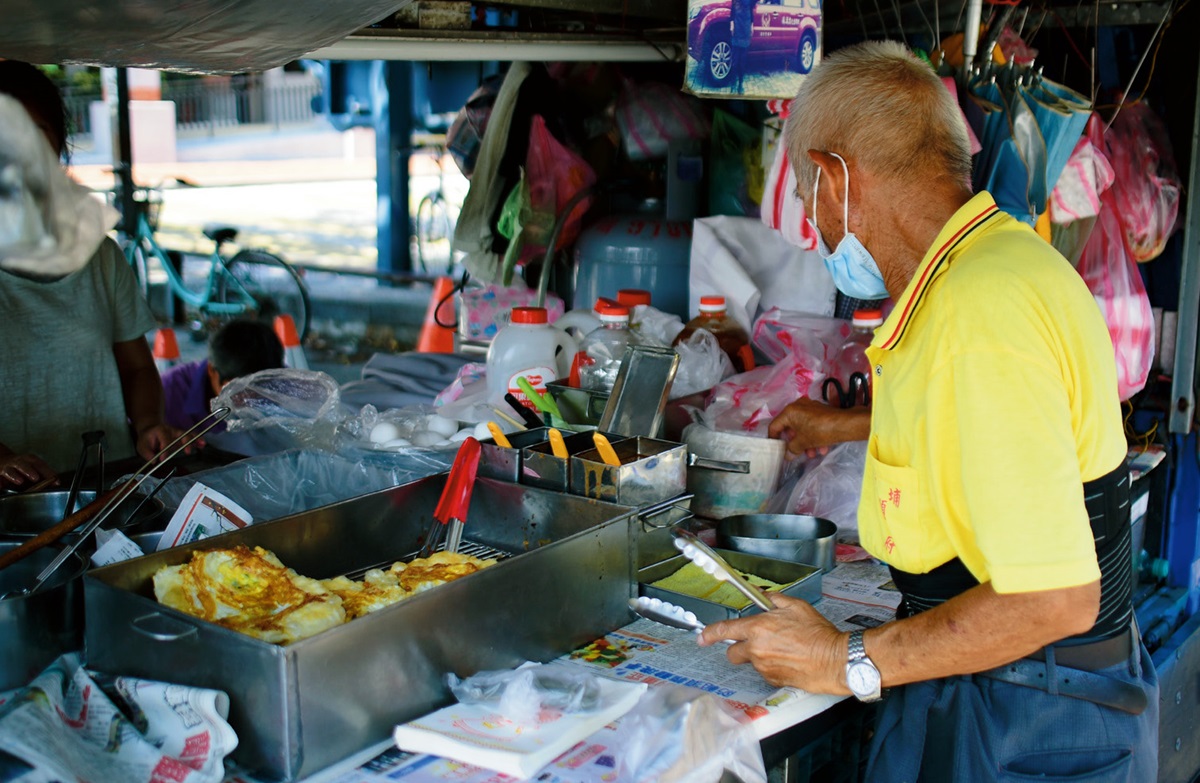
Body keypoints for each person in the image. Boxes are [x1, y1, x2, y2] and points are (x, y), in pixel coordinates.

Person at [699, 41, 1157, 781]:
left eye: (812, 192)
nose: (816, 228)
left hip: (1023, 715)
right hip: (1014, 690)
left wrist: (841, 659)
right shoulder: (989, 270)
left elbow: (1055, 597)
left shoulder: (980, 314)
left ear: (838, 174)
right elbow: (980, 436)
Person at [0, 61, 178, 489]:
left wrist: (149, 424)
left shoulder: (100, 254)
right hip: (11, 501)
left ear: (59, 149)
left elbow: (136, 367)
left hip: (106, 484)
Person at [162, 319, 284, 430]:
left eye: (260, 392)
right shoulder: (167, 396)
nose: (249, 403)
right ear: (211, 371)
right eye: (239, 392)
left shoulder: (283, 385)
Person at [729, 0, 754, 92]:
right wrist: (731, 24)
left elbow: (751, 12)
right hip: (737, 28)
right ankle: (733, 84)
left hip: (746, 29)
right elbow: (732, 12)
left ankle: (740, 84)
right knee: (735, 60)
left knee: (742, 61)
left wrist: (752, 25)